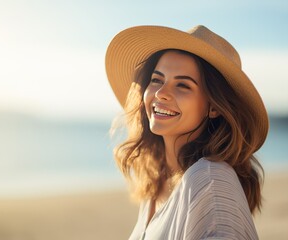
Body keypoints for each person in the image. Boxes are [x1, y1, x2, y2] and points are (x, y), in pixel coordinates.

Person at [105, 25, 268, 240]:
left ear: (214, 107)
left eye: (182, 85)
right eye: (157, 80)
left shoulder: (210, 182)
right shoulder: (159, 179)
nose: (161, 93)